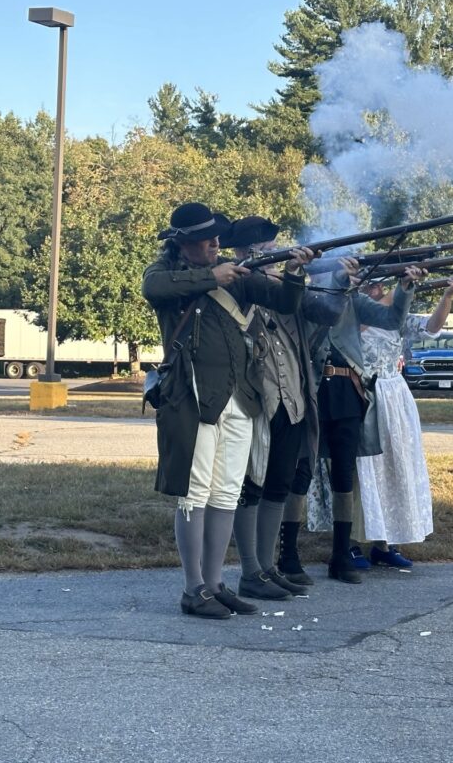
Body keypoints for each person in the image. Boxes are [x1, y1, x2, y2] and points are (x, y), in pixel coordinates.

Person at [141, 202, 313, 619]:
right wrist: (210, 277)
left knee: (226, 494)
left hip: (241, 395)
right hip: (195, 396)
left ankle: (216, 584)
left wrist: (295, 271)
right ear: (186, 244)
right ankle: (192, 588)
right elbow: (156, 290)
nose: (217, 243)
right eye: (208, 238)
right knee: (194, 494)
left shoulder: (239, 279)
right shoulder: (164, 274)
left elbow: (287, 302)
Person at [220, 216, 348, 595]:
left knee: (278, 484)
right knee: (251, 486)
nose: (270, 259)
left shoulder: (283, 285)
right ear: (245, 253)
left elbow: (327, 313)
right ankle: (249, 571)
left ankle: (267, 566)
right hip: (255, 398)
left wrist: (339, 280)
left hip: (291, 398)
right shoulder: (236, 281)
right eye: (262, 253)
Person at [303, 256, 425, 584]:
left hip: (347, 389)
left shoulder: (352, 300)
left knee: (345, 473)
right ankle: (287, 557)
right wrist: (343, 280)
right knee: (300, 472)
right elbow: (326, 311)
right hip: (313, 390)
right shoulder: (306, 297)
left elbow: (392, 317)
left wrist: (404, 287)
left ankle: (342, 553)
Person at [350, 277, 453, 569]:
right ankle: (349, 542)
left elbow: (432, 326)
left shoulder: (398, 317)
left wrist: (448, 295)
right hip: (362, 393)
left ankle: (385, 543)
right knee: (361, 471)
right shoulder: (353, 311)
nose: (380, 288)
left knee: (393, 468)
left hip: (394, 397)